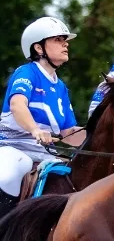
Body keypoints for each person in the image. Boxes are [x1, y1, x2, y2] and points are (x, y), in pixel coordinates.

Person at [0, 17, 81, 217]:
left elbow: (69, 133)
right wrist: (35, 130)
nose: (65, 43)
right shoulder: (26, 72)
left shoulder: (61, 87)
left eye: (65, 40)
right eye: (58, 40)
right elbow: (17, 106)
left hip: (46, 154)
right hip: (14, 148)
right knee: (6, 176)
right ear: (38, 48)